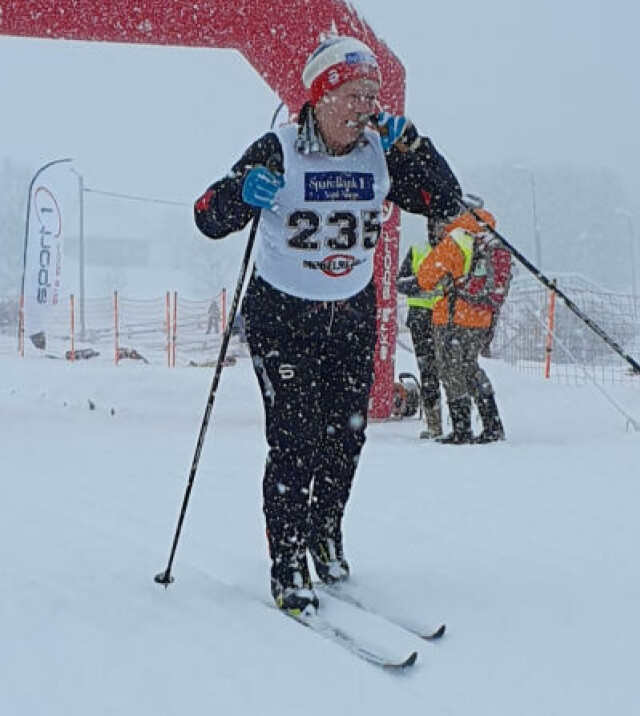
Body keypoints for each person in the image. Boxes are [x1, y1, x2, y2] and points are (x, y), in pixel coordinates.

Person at [193, 34, 462, 615]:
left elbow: (446, 199)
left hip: (351, 313)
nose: (368, 104)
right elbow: (209, 217)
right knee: (295, 437)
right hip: (283, 314)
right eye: (356, 92)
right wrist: (242, 192)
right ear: (321, 94)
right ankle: (288, 557)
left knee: (345, 435)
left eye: (375, 93)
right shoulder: (280, 148)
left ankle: (324, 531)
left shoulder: (381, 151)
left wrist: (415, 146)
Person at [417, 208, 510, 444]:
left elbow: (425, 277)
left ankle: (462, 429)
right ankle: (492, 424)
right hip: (482, 318)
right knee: (470, 367)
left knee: (451, 371)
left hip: (454, 317)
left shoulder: (457, 240)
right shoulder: (492, 240)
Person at [396, 220, 445, 439]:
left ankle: (459, 421)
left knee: (452, 373)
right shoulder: (418, 249)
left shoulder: (453, 250)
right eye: (436, 226)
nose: (439, 230)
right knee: (428, 373)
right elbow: (400, 282)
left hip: (447, 320)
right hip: (421, 321)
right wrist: (422, 283)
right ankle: (434, 423)